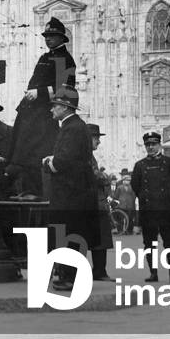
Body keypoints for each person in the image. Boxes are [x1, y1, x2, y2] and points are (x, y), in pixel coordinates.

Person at [8, 17, 76, 197]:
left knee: (35, 152)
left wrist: (39, 93)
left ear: (62, 38)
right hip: (31, 111)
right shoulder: (45, 56)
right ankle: (28, 190)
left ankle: (35, 192)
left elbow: (65, 89)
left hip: (44, 113)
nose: (48, 39)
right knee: (23, 150)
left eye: (52, 36)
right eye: (46, 35)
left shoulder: (64, 58)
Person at [41, 87, 98, 291]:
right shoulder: (75, 126)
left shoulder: (72, 128)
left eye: (55, 105)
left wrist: (48, 163)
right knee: (72, 234)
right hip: (75, 193)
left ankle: (68, 277)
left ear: (65, 107)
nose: (52, 110)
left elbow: (65, 160)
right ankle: (67, 276)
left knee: (69, 235)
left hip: (70, 193)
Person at [130, 131, 170, 283]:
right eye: (148, 145)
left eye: (153, 144)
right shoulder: (139, 165)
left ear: (159, 145)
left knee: (169, 243)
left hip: (166, 210)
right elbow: (135, 186)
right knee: (149, 244)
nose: (151, 147)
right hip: (148, 211)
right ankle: (153, 273)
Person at [87, 123, 114, 281]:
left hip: (98, 203)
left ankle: (99, 270)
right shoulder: (85, 155)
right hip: (94, 204)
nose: (98, 141)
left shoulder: (90, 155)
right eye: (96, 138)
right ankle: (99, 271)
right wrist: (104, 177)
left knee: (101, 239)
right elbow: (95, 176)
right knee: (99, 239)